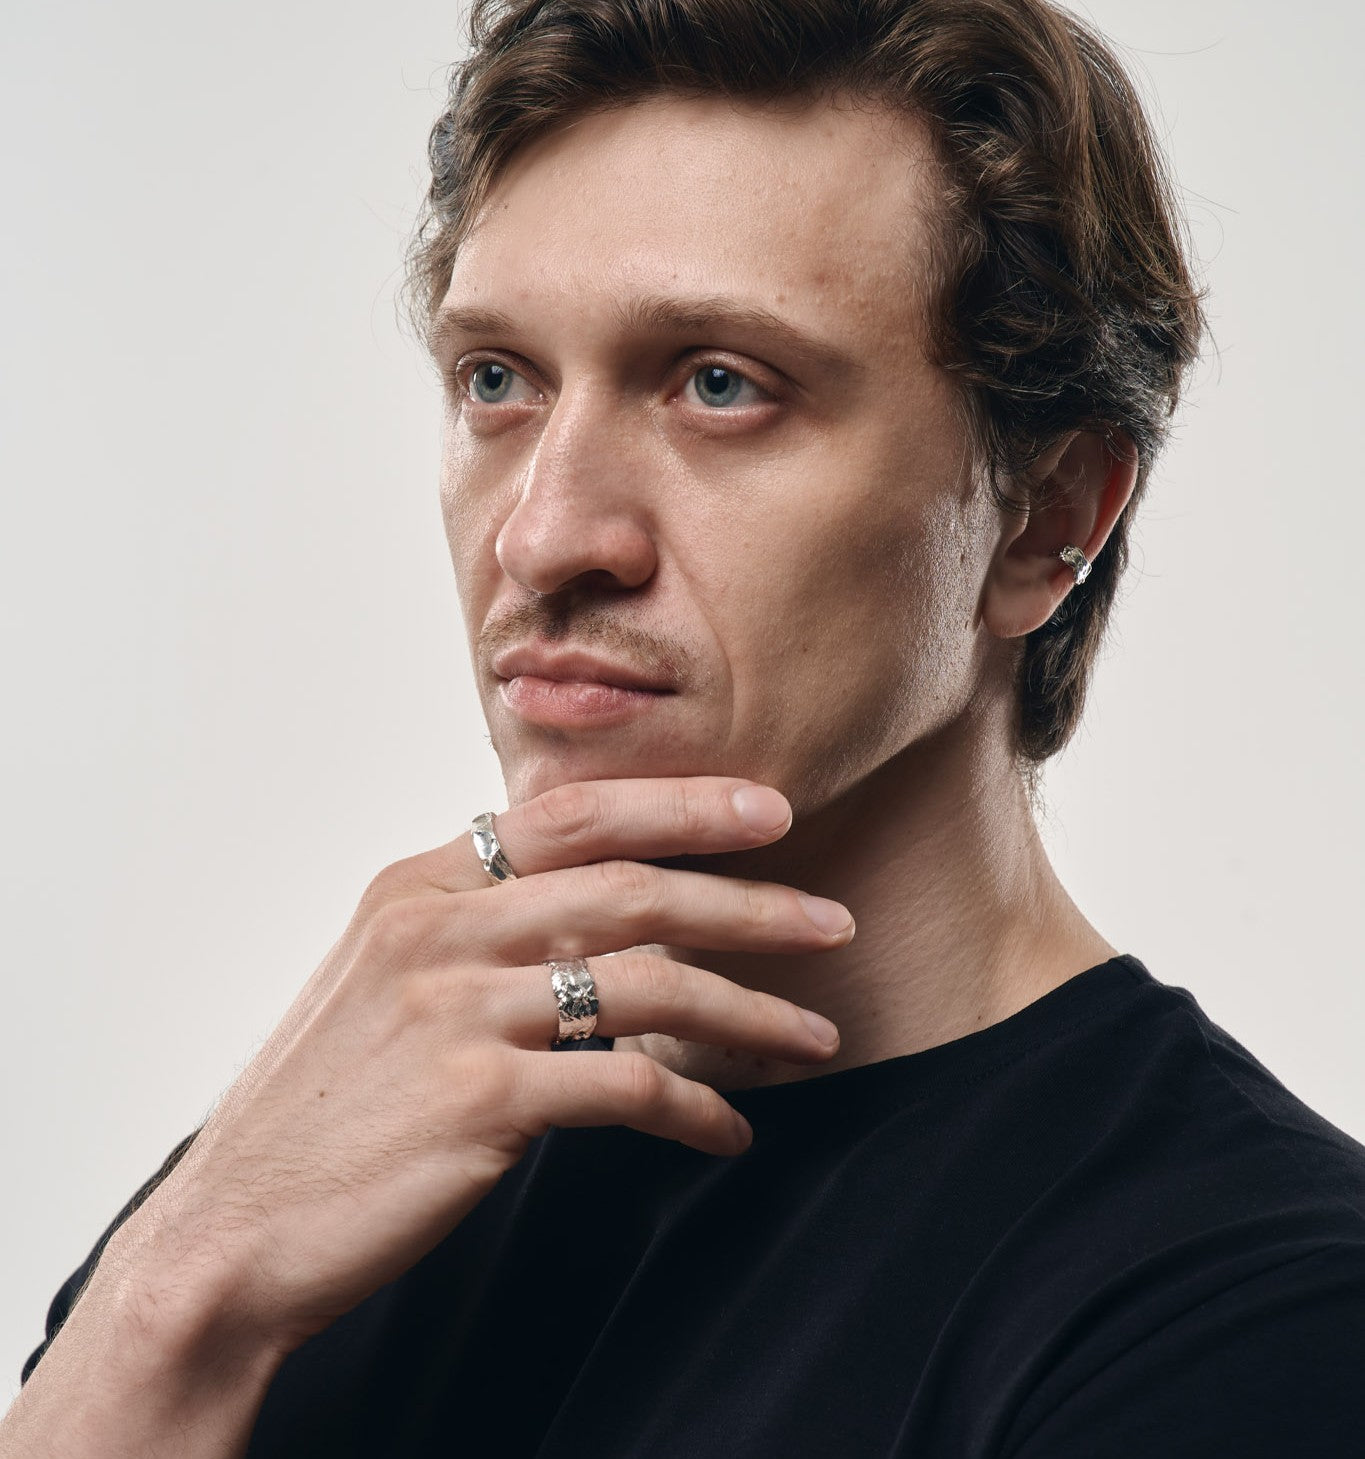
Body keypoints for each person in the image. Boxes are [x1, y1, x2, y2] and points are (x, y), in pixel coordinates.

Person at [7, 0, 1365, 1453]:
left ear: (1046, 517)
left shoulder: (1259, 1314)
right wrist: (174, 1286)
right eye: (497, 381)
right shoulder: (289, 1197)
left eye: (721, 385)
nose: (544, 538)